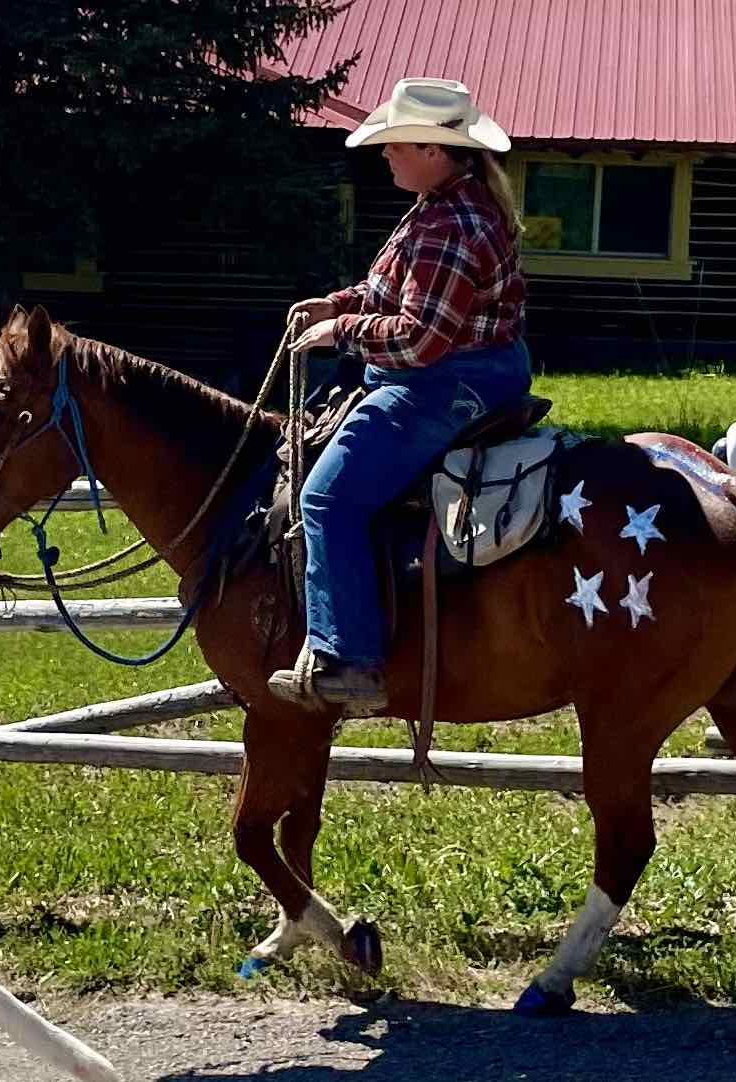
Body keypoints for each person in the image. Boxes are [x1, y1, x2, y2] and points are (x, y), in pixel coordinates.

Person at [267, 77, 531, 715]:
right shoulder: (440, 205)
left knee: (327, 495)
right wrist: (341, 302)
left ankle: (351, 658)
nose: (383, 154)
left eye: (395, 144)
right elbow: (393, 289)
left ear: (433, 151)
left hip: (448, 379)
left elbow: (418, 340)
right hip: (462, 369)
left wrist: (342, 331)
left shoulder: (450, 222)